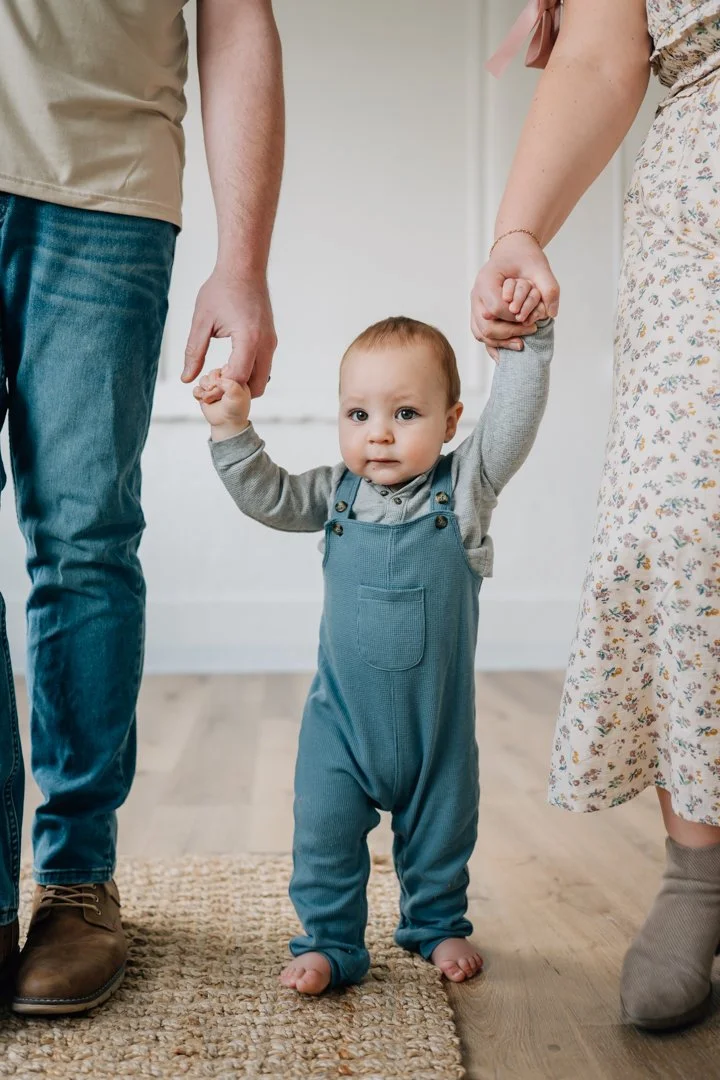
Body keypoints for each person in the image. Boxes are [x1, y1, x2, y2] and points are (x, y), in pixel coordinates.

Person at [0, 0, 284, 1015]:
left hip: (105, 178)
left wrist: (243, 264)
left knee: (83, 539)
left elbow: (236, 14)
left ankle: (76, 881)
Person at [472, 0, 720, 1032]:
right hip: (703, 193)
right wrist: (519, 229)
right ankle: (701, 874)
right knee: (681, 527)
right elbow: (606, 45)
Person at [194, 313, 553, 993]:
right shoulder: (335, 495)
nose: (379, 432)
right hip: (341, 728)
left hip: (434, 729)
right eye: (358, 413)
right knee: (323, 835)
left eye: (406, 413)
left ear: (450, 423)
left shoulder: (464, 493)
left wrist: (528, 345)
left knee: (442, 835)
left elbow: (513, 421)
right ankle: (330, 942)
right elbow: (266, 495)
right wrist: (229, 428)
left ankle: (436, 923)